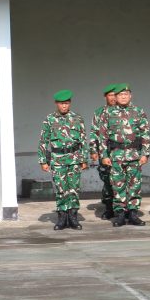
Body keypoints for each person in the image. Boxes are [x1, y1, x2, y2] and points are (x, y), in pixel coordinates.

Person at [99, 83, 150, 227]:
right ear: (115, 97)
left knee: (134, 185)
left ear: (130, 96)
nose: (123, 97)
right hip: (116, 155)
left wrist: (145, 154)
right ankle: (120, 214)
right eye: (120, 94)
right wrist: (104, 155)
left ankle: (133, 214)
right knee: (117, 186)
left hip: (134, 155)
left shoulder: (139, 112)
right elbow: (102, 136)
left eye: (126, 94)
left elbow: (145, 134)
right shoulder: (107, 113)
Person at [38, 89, 88, 230]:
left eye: (66, 103)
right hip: (58, 159)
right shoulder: (49, 119)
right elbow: (43, 141)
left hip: (74, 159)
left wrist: (84, 159)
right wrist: (43, 160)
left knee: (74, 189)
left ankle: (73, 217)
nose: (64, 106)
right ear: (56, 103)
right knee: (61, 189)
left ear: (70, 103)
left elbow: (83, 141)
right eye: (61, 103)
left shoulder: (77, 118)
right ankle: (62, 217)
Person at [89, 85, 117, 219]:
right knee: (107, 179)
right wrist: (93, 150)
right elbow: (94, 132)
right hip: (105, 151)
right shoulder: (99, 112)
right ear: (105, 96)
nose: (113, 98)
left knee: (123, 180)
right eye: (110, 95)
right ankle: (109, 208)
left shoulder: (124, 111)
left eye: (115, 95)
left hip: (122, 151)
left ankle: (124, 209)